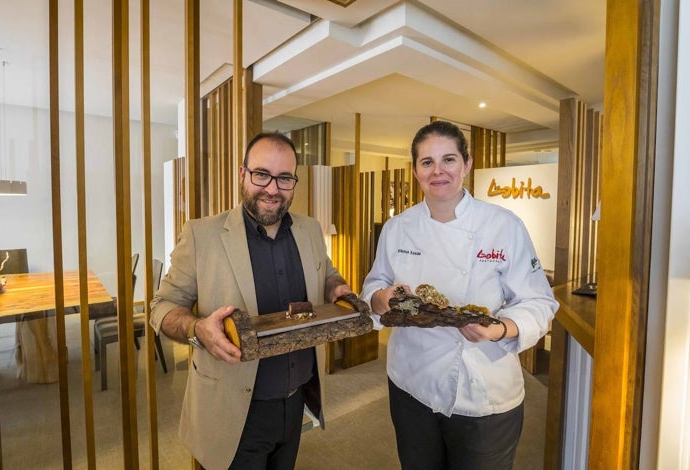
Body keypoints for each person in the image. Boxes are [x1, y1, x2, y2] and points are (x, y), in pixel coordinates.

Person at [361, 120, 558, 469]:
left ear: (466, 164)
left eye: (449, 159)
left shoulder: (503, 225)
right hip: (412, 384)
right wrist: (381, 298)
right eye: (427, 162)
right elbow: (374, 287)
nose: (438, 171)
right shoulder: (397, 229)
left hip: (483, 391)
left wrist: (498, 329)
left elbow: (539, 302)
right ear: (416, 170)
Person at [150, 131, 352, 470]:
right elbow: (161, 308)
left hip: (296, 401)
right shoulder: (202, 235)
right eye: (262, 174)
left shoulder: (311, 229)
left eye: (284, 178)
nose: (272, 189)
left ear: (293, 182)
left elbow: (327, 273)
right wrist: (198, 328)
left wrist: (337, 287)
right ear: (242, 174)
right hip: (231, 410)